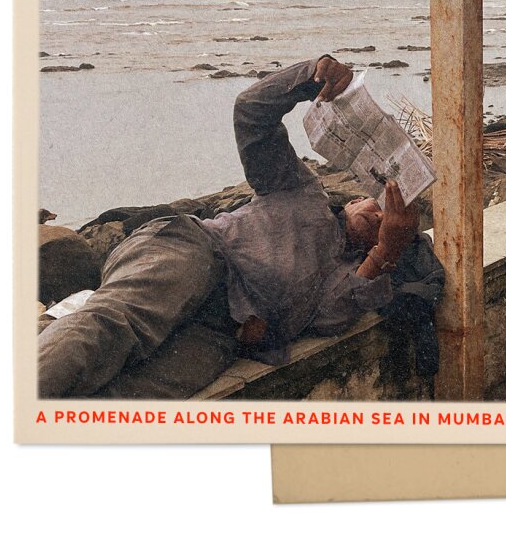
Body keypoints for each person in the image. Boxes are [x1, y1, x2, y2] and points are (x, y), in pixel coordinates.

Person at [37, 56, 423, 398]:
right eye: (377, 204)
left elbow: (331, 316)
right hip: (199, 252)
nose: (379, 217)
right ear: (353, 199)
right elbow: (251, 113)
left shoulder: (350, 276)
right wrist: (312, 76)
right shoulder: (302, 190)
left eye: (386, 222)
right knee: (116, 326)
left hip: (223, 331)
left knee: (137, 395)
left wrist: (386, 251)